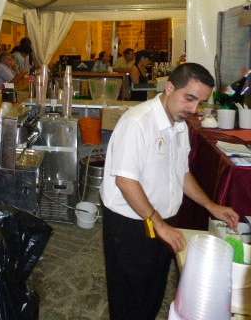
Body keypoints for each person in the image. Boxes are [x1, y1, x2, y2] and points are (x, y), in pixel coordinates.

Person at [101, 63, 239, 320]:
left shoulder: (179, 124)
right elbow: (126, 182)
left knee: (152, 292)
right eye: (189, 98)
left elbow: (181, 173)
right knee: (128, 299)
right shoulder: (137, 122)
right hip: (132, 224)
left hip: (162, 221)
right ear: (169, 88)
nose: (194, 109)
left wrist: (211, 205)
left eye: (200, 102)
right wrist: (159, 224)